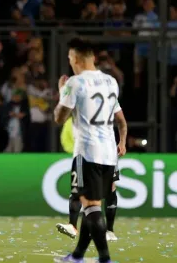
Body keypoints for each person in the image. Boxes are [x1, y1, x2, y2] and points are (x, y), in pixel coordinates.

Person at [52, 38, 127, 263]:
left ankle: (105, 258)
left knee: (92, 207)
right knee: (91, 205)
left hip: (87, 151)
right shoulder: (111, 82)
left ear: (75, 58)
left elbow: (59, 118)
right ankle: (77, 256)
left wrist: (61, 91)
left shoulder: (75, 83)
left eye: (69, 58)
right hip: (108, 153)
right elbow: (121, 120)